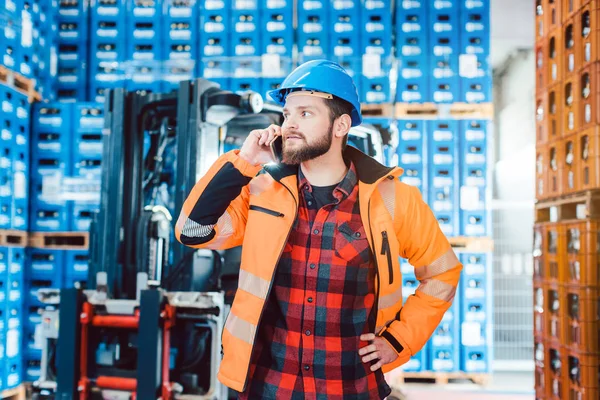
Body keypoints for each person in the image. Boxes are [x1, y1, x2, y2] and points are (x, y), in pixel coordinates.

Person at [176, 60, 462, 399]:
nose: (290, 125)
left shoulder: (393, 199)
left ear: (340, 125)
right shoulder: (262, 191)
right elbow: (193, 231)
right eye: (287, 115)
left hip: (351, 387)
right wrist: (243, 162)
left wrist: (397, 341)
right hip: (267, 385)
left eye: (305, 114)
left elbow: (442, 273)